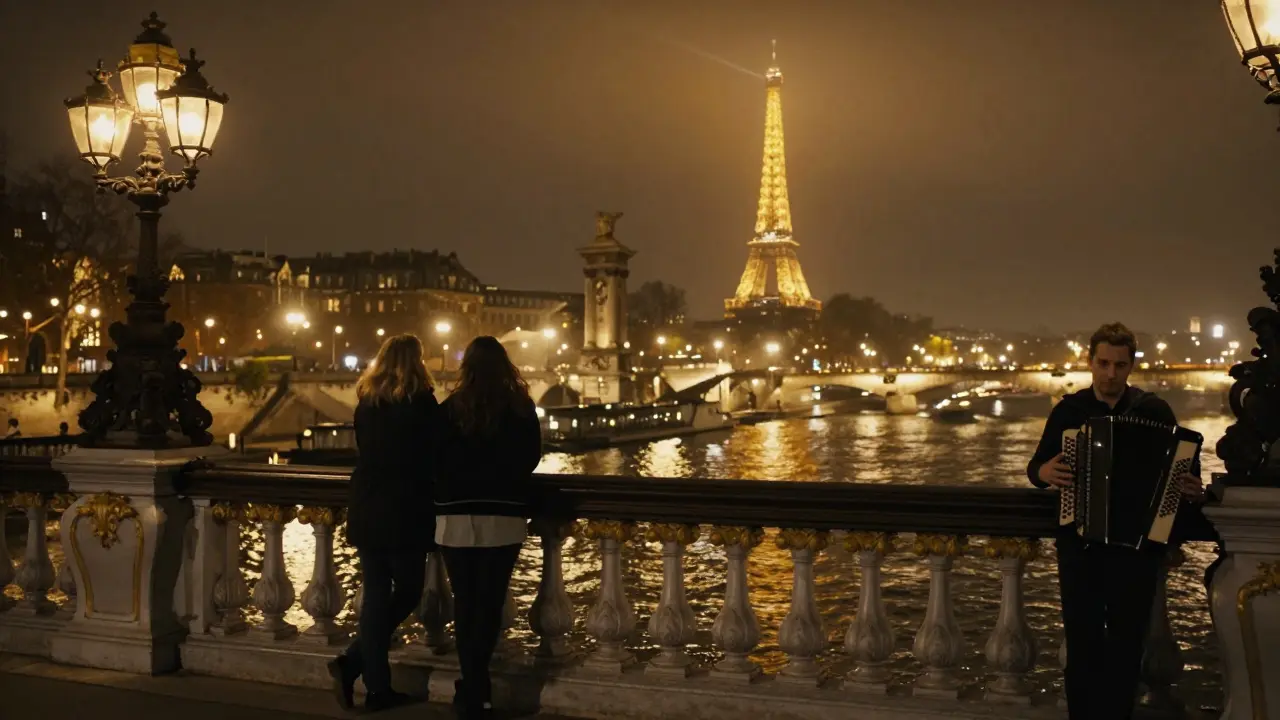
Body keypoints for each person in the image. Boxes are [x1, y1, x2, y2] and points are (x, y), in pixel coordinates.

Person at [1027, 322, 1204, 720]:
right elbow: (1036, 466)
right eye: (1103, 363)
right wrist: (1044, 474)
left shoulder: (1153, 411)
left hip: (1136, 552)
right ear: (1090, 362)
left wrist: (1191, 487)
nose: (1110, 374)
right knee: (1083, 647)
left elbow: (1182, 471)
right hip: (1081, 548)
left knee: (1127, 650)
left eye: (1119, 365)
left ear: (1131, 366)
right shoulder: (1069, 412)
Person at [433, 336, 542, 718]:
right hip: (503, 515)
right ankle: (477, 690)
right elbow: (531, 459)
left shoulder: (449, 409)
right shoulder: (520, 408)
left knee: (465, 604)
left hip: (456, 517)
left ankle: (472, 690)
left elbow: (434, 460)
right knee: (490, 603)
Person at [328, 334, 438, 713]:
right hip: (404, 509)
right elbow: (434, 453)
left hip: (367, 504)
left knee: (375, 597)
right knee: (408, 589)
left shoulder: (367, 402)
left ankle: (372, 682)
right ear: (416, 362)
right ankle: (355, 665)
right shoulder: (420, 402)